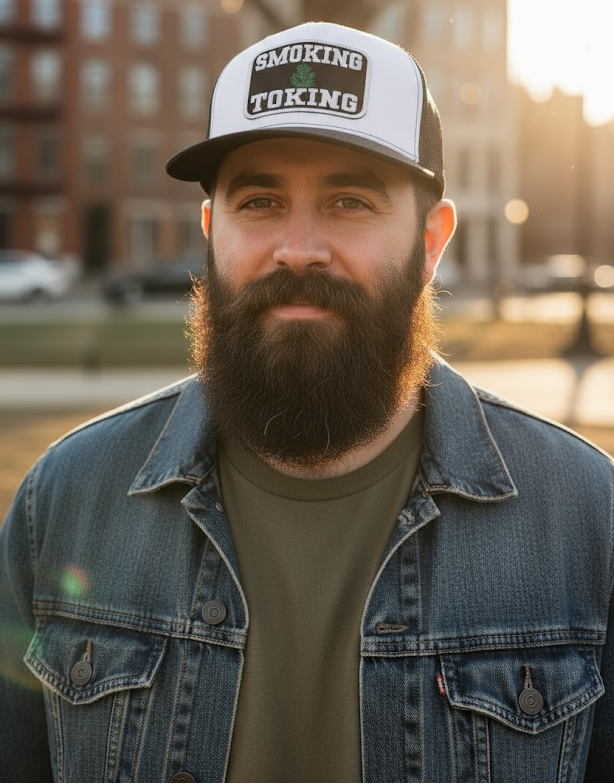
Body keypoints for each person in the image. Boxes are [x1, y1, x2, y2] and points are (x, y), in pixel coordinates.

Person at [0, 21, 612, 784]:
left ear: (430, 243)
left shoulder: (587, 522)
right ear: (210, 230)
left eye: (349, 201)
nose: (298, 248)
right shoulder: (60, 507)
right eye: (258, 200)